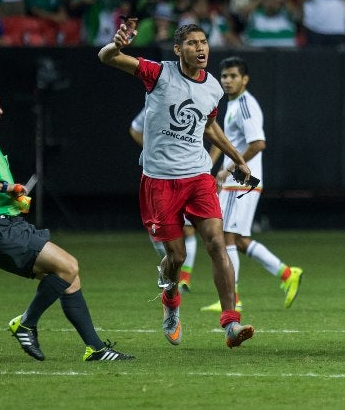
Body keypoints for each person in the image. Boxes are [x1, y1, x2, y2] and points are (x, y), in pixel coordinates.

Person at [98, 21, 255, 349]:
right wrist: (116, 45)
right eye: (193, 43)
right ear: (177, 49)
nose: (201, 49)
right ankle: (170, 300)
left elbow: (209, 127)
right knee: (177, 257)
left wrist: (237, 158)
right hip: (159, 182)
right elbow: (107, 58)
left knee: (216, 242)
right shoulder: (158, 74)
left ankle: (231, 323)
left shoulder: (212, 86)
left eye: (204, 42)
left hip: (198, 176)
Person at [0, 79, 133, 362]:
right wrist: (5, 188)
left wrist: (12, 198)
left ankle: (96, 349)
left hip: (5, 224)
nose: (0, 110)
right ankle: (25, 323)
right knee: (69, 266)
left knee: (69, 278)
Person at [200, 56, 303, 312]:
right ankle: (287, 274)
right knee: (238, 239)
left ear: (244, 79)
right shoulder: (234, 104)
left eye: (233, 76)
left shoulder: (245, 104)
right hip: (238, 180)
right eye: (224, 76)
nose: (227, 80)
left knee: (226, 238)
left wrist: (228, 170)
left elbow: (258, 143)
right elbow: (224, 139)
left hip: (241, 181)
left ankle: (233, 298)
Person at [129, 107, 198, 293]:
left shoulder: (189, 105)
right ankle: (169, 266)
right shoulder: (154, 104)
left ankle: (184, 279)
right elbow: (135, 128)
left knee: (189, 229)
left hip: (187, 173)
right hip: (158, 176)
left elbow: (210, 128)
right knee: (159, 230)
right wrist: (151, 147)